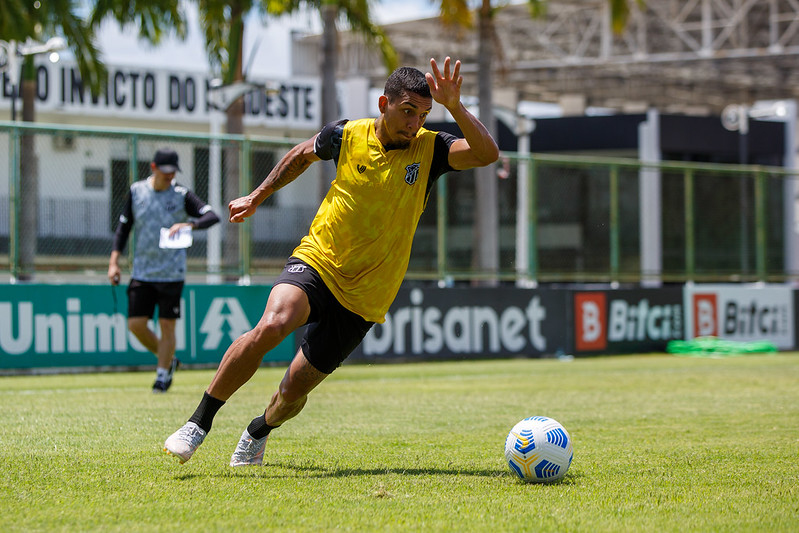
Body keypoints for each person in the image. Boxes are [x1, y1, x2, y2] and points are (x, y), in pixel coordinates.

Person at [163, 57, 499, 465]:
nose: (414, 123)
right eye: (407, 111)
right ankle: (198, 423)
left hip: (366, 296)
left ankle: (259, 429)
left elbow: (486, 154)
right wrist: (257, 196)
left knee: (292, 392)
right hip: (319, 260)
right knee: (273, 324)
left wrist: (456, 108)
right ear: (383, 103)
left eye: (423, 115)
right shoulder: (346, 135)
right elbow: (302, 154)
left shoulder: (432, 149)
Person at [108, 148, 220, 393]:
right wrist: (114, 261)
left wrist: (190, 223)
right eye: (166, 172)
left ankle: (162, 377)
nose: (170, 177)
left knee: (167, 325)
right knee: (136, 325)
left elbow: (212, 216)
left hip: (172, 273)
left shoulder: (181, 194)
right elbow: (123, 229)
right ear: (154, 168)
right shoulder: (137, 192)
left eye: (173, 173)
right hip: (142, 272)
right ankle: (168, 358)